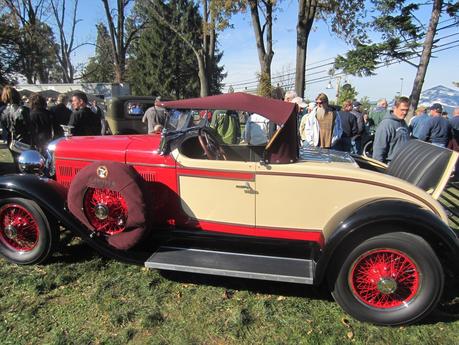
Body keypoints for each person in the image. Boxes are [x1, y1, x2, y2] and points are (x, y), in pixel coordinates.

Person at [373, 96, 410, 164]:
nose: (405, 112)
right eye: (402, 110)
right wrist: (378, 169)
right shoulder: (386, 124)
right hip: (391, 165)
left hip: (403, 163)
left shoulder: (403, 123)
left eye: (407, 110)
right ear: (394, 108)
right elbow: (378, 150)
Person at [1, 86, 32, 164]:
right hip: (24, 141)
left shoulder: (3, 111)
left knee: (16, 162)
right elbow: (30, 127)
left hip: (11, 141)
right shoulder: (22, 110)